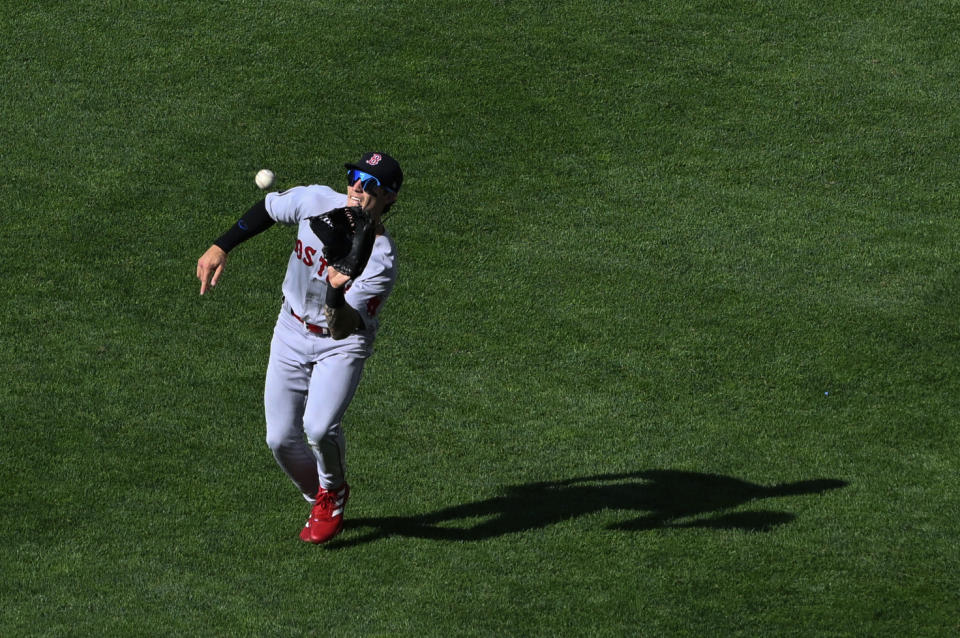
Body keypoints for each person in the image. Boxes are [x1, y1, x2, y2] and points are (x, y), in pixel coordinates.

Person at [196, 152, 403, 544]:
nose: (357, 187)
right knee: (279, 439)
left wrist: (335, 288)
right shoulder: (316, 201)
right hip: (290, 328)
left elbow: (342, 328)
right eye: (354, 176)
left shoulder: (380, 261)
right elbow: (270, 209)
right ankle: (321, 497)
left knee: (319, 427)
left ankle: (333, 490)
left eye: (370, 183)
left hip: (339, 344)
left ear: (389, 197)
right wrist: (222, 246)